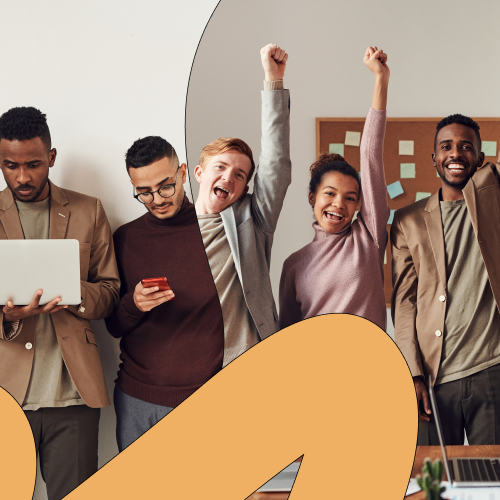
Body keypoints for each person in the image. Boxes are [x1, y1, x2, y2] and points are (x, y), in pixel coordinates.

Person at [0, 107, 120, 500]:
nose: (22, 177)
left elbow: (110, 292)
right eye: (9, 165)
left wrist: (71, 291)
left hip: (72, 396)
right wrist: (7, 316)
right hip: (5, 393)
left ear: (51, 158)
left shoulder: (90, 210)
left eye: (33, 164)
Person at [105, 137, 223, 452]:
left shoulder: (219, 232)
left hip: (206, 399)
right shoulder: (126, 238)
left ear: (183, 172)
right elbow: (113, 326)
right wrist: (133, 304)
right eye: (143, 192)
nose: (156, 199)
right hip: (137, 399)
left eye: (165, 186)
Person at [391, 112, 500, 445]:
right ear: (434, 158)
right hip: (434, 380)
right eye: (447, 147)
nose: (456, 153)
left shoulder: (495, 197)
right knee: (433, 484)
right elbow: (404, 305)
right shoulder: (407, 220)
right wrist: (412, 374)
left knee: (492, 484)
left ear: (481, 159)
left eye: (467, 147)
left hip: (492, 371)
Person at [279, 46, 390, 331]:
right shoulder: (293, 266)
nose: (339, 204)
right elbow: (287, 337)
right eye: (330, 194)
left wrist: (380, 80)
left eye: (350, 198)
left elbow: (370, 155)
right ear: (312, 198)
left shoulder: (369, 238)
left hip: (371, 371)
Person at [194, 43, 291, 366]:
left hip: (248, 363)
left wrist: (272, 81)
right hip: (193, 368)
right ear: (199, 173)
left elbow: (275, 163)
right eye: (220, 168)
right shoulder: (172, 229)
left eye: (239, 175)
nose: (228, 178)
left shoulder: (252, 219)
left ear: (245, 188)